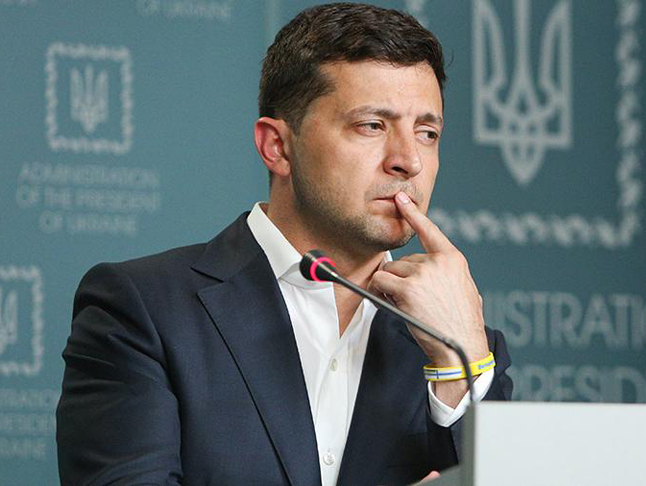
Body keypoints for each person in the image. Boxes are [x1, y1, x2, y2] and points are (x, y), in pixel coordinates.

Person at [56, 3, 512, 485]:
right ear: (277, 146)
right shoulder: (143, 310)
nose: (409, 161)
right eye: (372, 126)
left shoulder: (466, 344)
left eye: (427, 133)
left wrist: (460, 364)